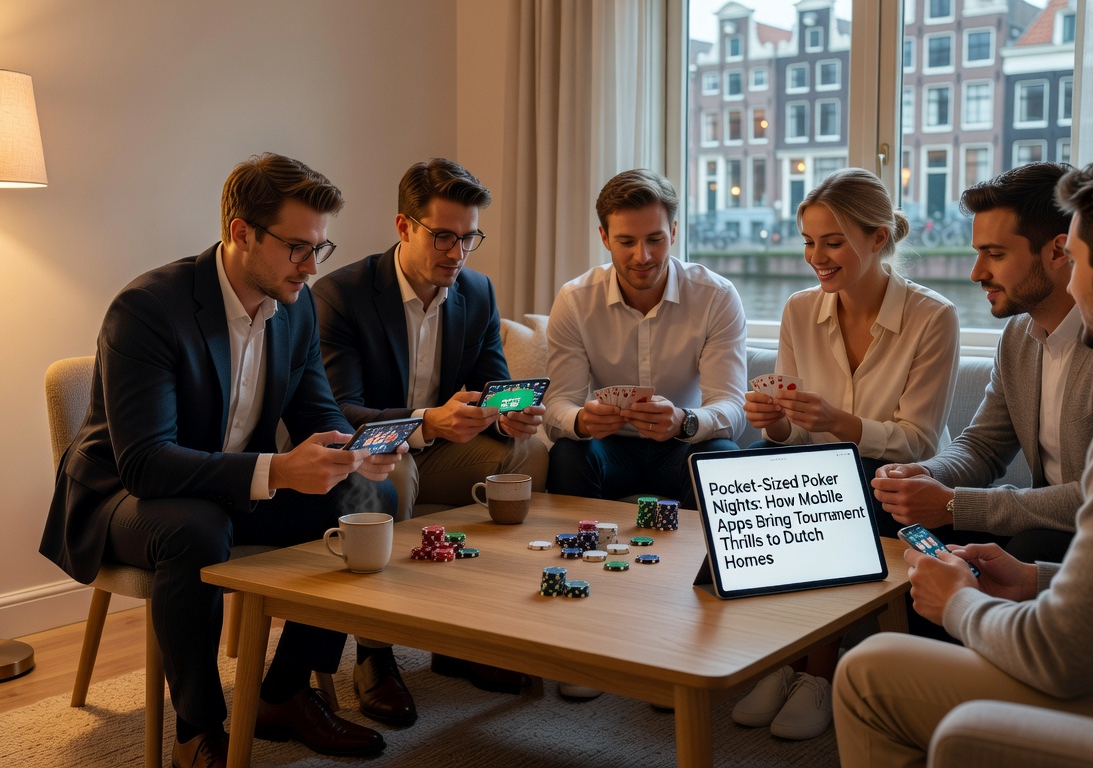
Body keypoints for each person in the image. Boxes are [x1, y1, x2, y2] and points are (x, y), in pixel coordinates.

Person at [833, 146, 1093, 767]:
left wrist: (959, 601)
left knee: (866, 673)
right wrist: (1029, 581)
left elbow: (1062, 656)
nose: (1072, 278)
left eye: (1075, 258)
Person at [40, 154, 402, 768]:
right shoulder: (149, 309)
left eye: (320, 247)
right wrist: (278, 471)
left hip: (230, 488)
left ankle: (283, 694)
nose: (312, 267)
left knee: (370, 501)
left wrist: (354, 454)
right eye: (296, 247)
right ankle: (197, 731)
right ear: (241, 233)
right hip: (126, 499)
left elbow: (318, 410)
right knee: (194, 528)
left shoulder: (296, 305)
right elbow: (147, 464)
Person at [312, 158, 543, 726]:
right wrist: (425, 422)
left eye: (469, 238)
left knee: (528, 454)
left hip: (443, 446)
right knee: (393, 472)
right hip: (369, 453)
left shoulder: (477, 292)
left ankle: (465, 636)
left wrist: (508, 413)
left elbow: (492, 383)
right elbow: (341, 410)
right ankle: (375, 652)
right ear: (404, 227)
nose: (456, 253)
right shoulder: (342, 294)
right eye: (443, 236)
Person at [732, 168, 960, 740]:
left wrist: (843, 424)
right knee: (759, 465)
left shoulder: (933, 317)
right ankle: (784, 657)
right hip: (823, 470)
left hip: (904, 475)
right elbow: (791, 434)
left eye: (833, 242)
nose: (817, 257)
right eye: (809, 242)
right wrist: (775, 423)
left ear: (878, 239)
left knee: (851, 474)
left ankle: (815, 667)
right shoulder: (798, 310)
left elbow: (921, 441)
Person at [870, 163, 1093, 564]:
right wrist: (928, 476)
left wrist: (953, 505)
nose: (977, 272)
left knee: (1034, 547)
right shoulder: (1018, 336)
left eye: (994, 254)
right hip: (1038, 525)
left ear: (1057, 251)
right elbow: (983, 446)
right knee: (886, 509)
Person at [543, 169, 746, 506]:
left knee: (720, 454)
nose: (643, 256)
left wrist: (686, 421)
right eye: (626, 241)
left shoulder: (717, 296)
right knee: (568, 452)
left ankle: (700, 562)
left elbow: (732, 406)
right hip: (608, 449)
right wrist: (581, 420)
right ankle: (577, 556)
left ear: (674, 232)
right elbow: (558, 404)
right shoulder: (575, 299)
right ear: (605, 238)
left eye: (655, 239)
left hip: (683, 445)